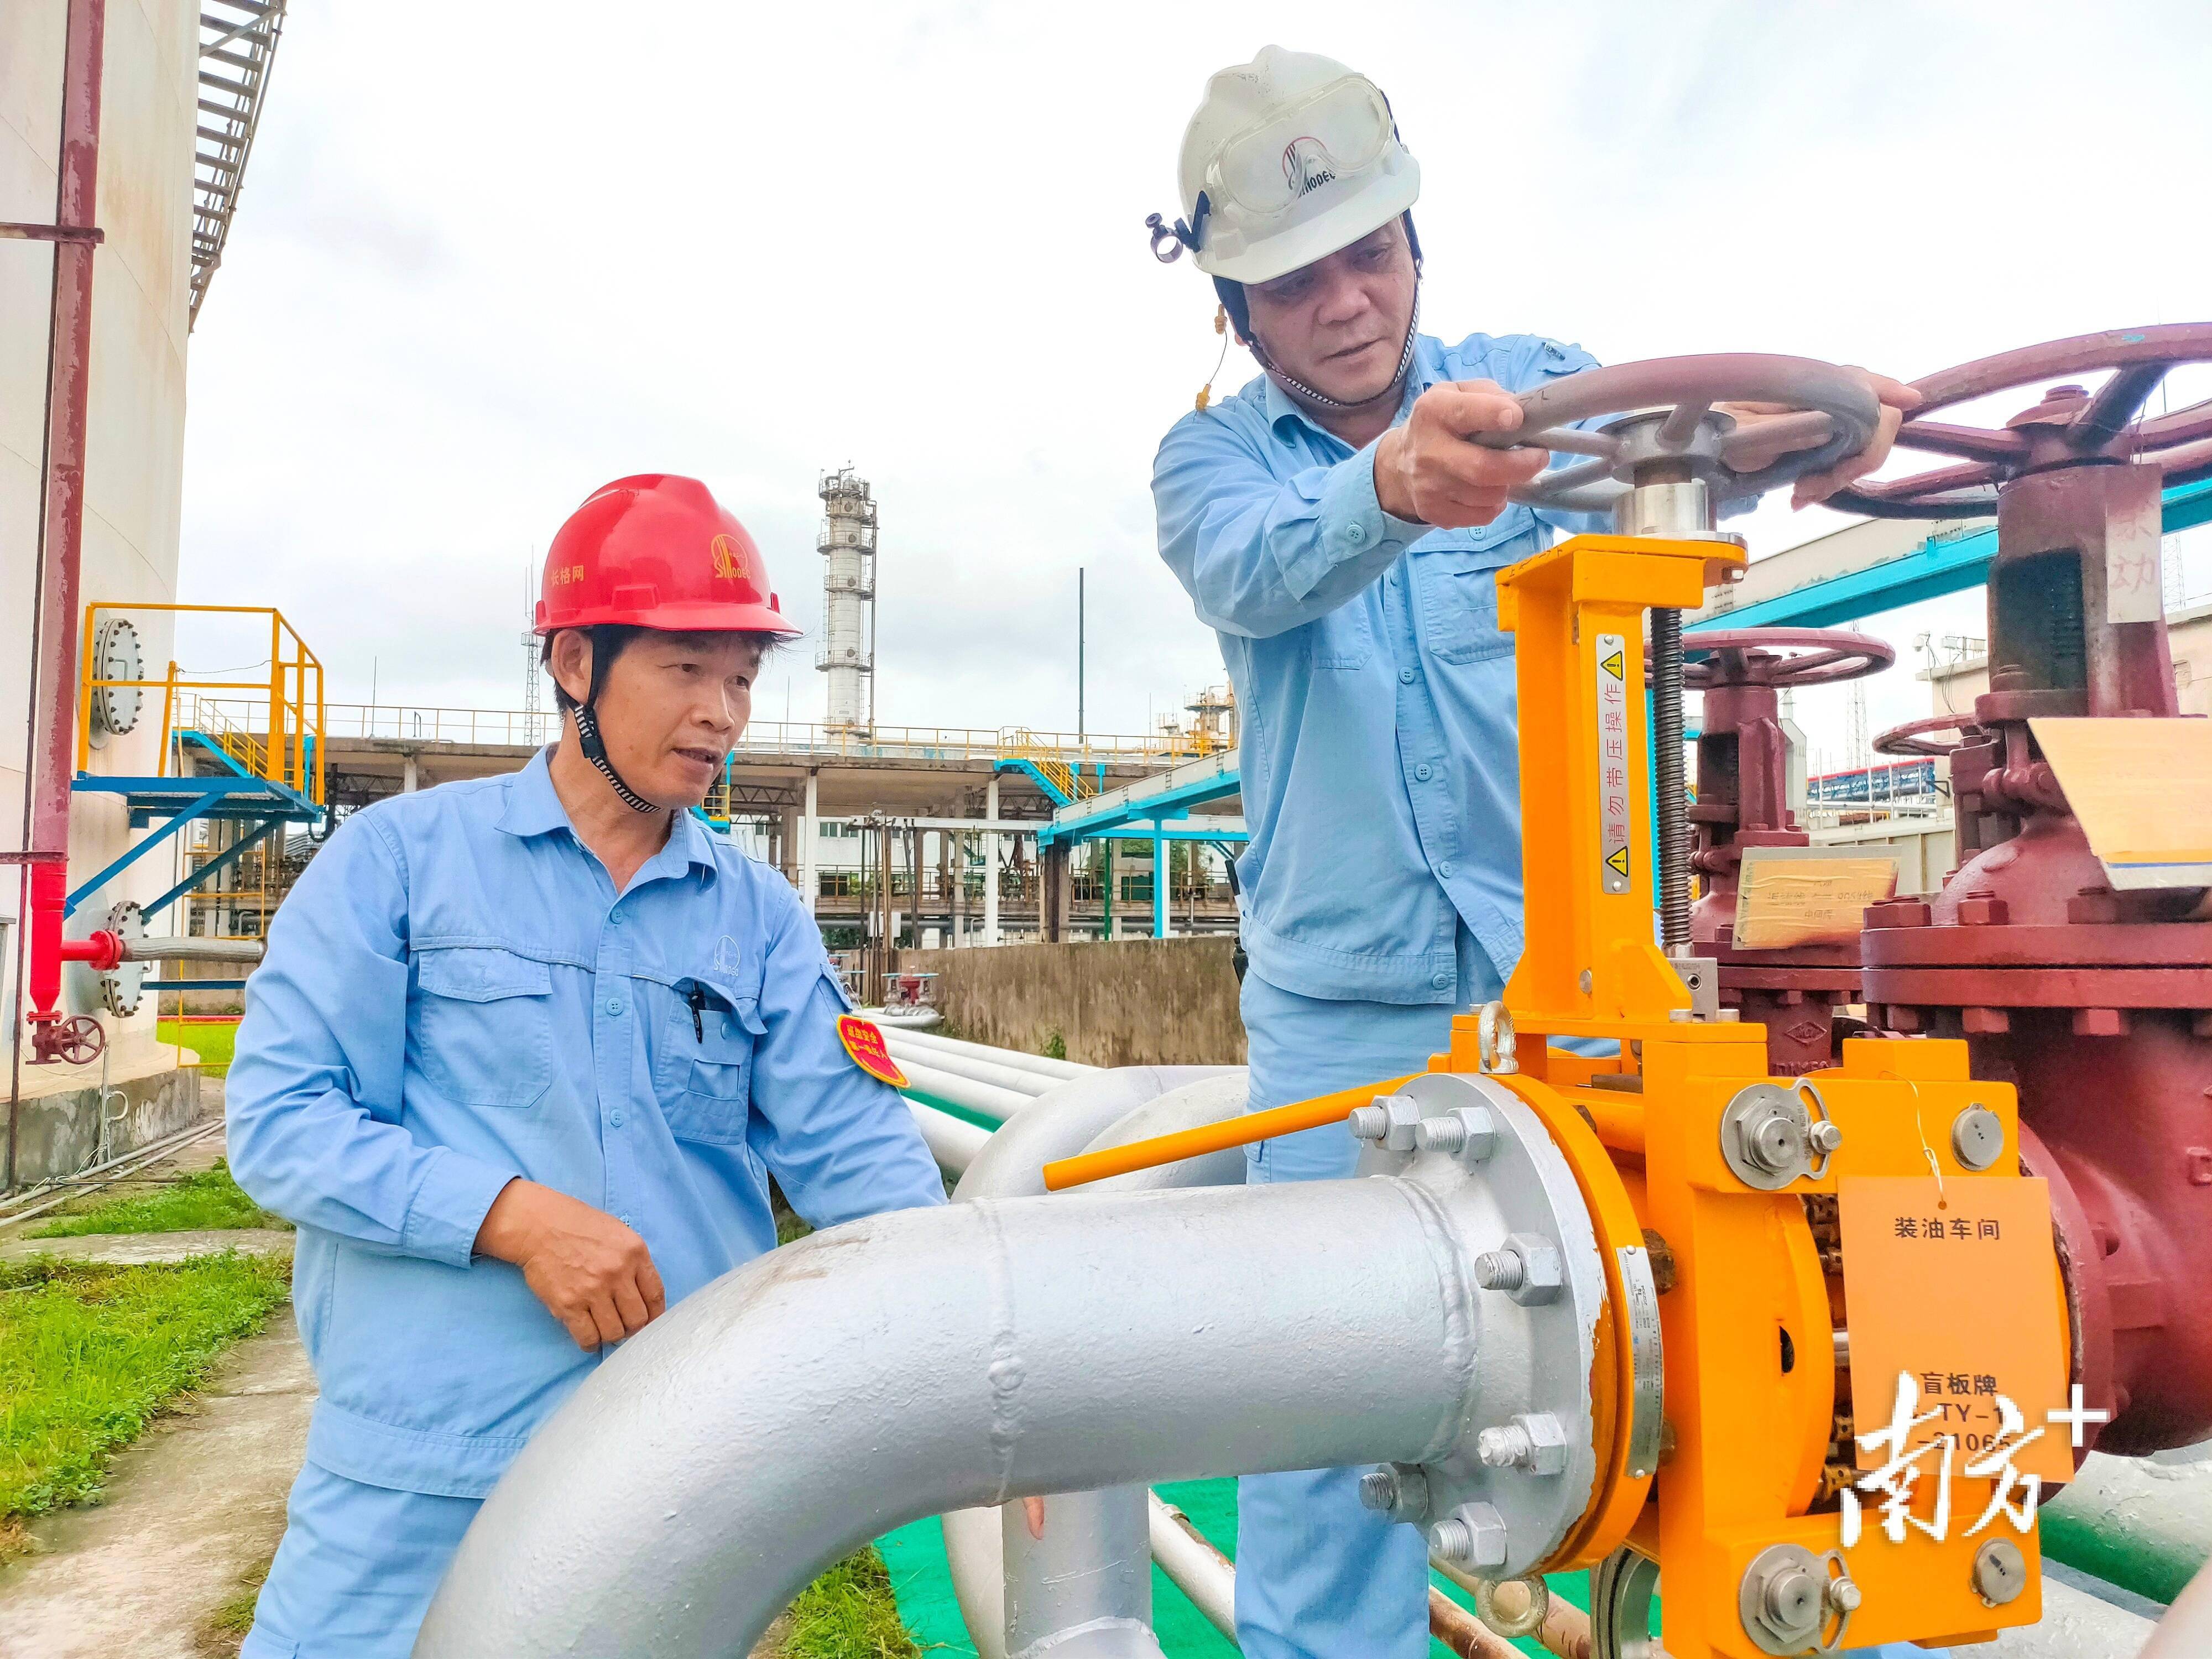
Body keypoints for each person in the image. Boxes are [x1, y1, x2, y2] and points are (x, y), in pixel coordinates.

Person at [1147, 46, 1924, 1659]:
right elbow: (1259, 572)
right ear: (1236, 312)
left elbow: (1682, 463)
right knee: (1329, 1431)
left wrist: (1804, 435)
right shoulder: (1210, 467)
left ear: (1419, 243)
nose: (1346, 302)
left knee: (1727, 1369)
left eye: (1368, 252)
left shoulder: (1540, 386)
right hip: (1344, 1032)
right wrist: (1394, 484)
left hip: (1583, 994)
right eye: (1295, 282)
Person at [226, 474, 946, 1658]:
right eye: (684, 669)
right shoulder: (399, 864)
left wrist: (973, 1362)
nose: (723, 712)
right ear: (574, 665)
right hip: (423, 1466)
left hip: (675, 1470)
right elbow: (282, 1122)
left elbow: (862, 1161)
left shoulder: (757, 916)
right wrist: (509, 1216)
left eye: (742, 677)